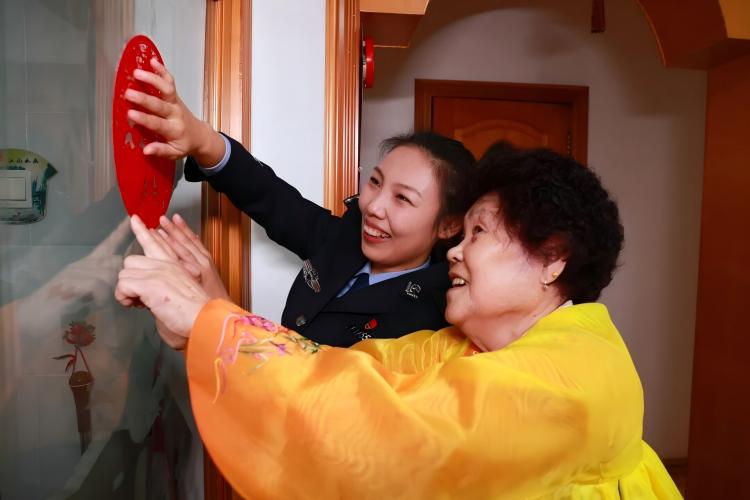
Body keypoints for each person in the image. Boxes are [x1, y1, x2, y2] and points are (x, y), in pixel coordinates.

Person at [116, 141, 682, 498]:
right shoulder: (461, 345)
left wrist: (210, 322)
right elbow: (342, 372)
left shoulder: (574, 378)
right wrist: (210, 324)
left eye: (478, 233)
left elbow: (387, 431)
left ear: (552, 259)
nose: (455, 252)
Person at [125, 58, 476, 347]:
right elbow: (272, 199)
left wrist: (215, 313)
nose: (373, 207)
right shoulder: (344, 238)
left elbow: (316, 392)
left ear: (449, 225)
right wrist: (201, 138)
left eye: (402, 198)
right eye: (375, 182)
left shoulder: (435, 322)